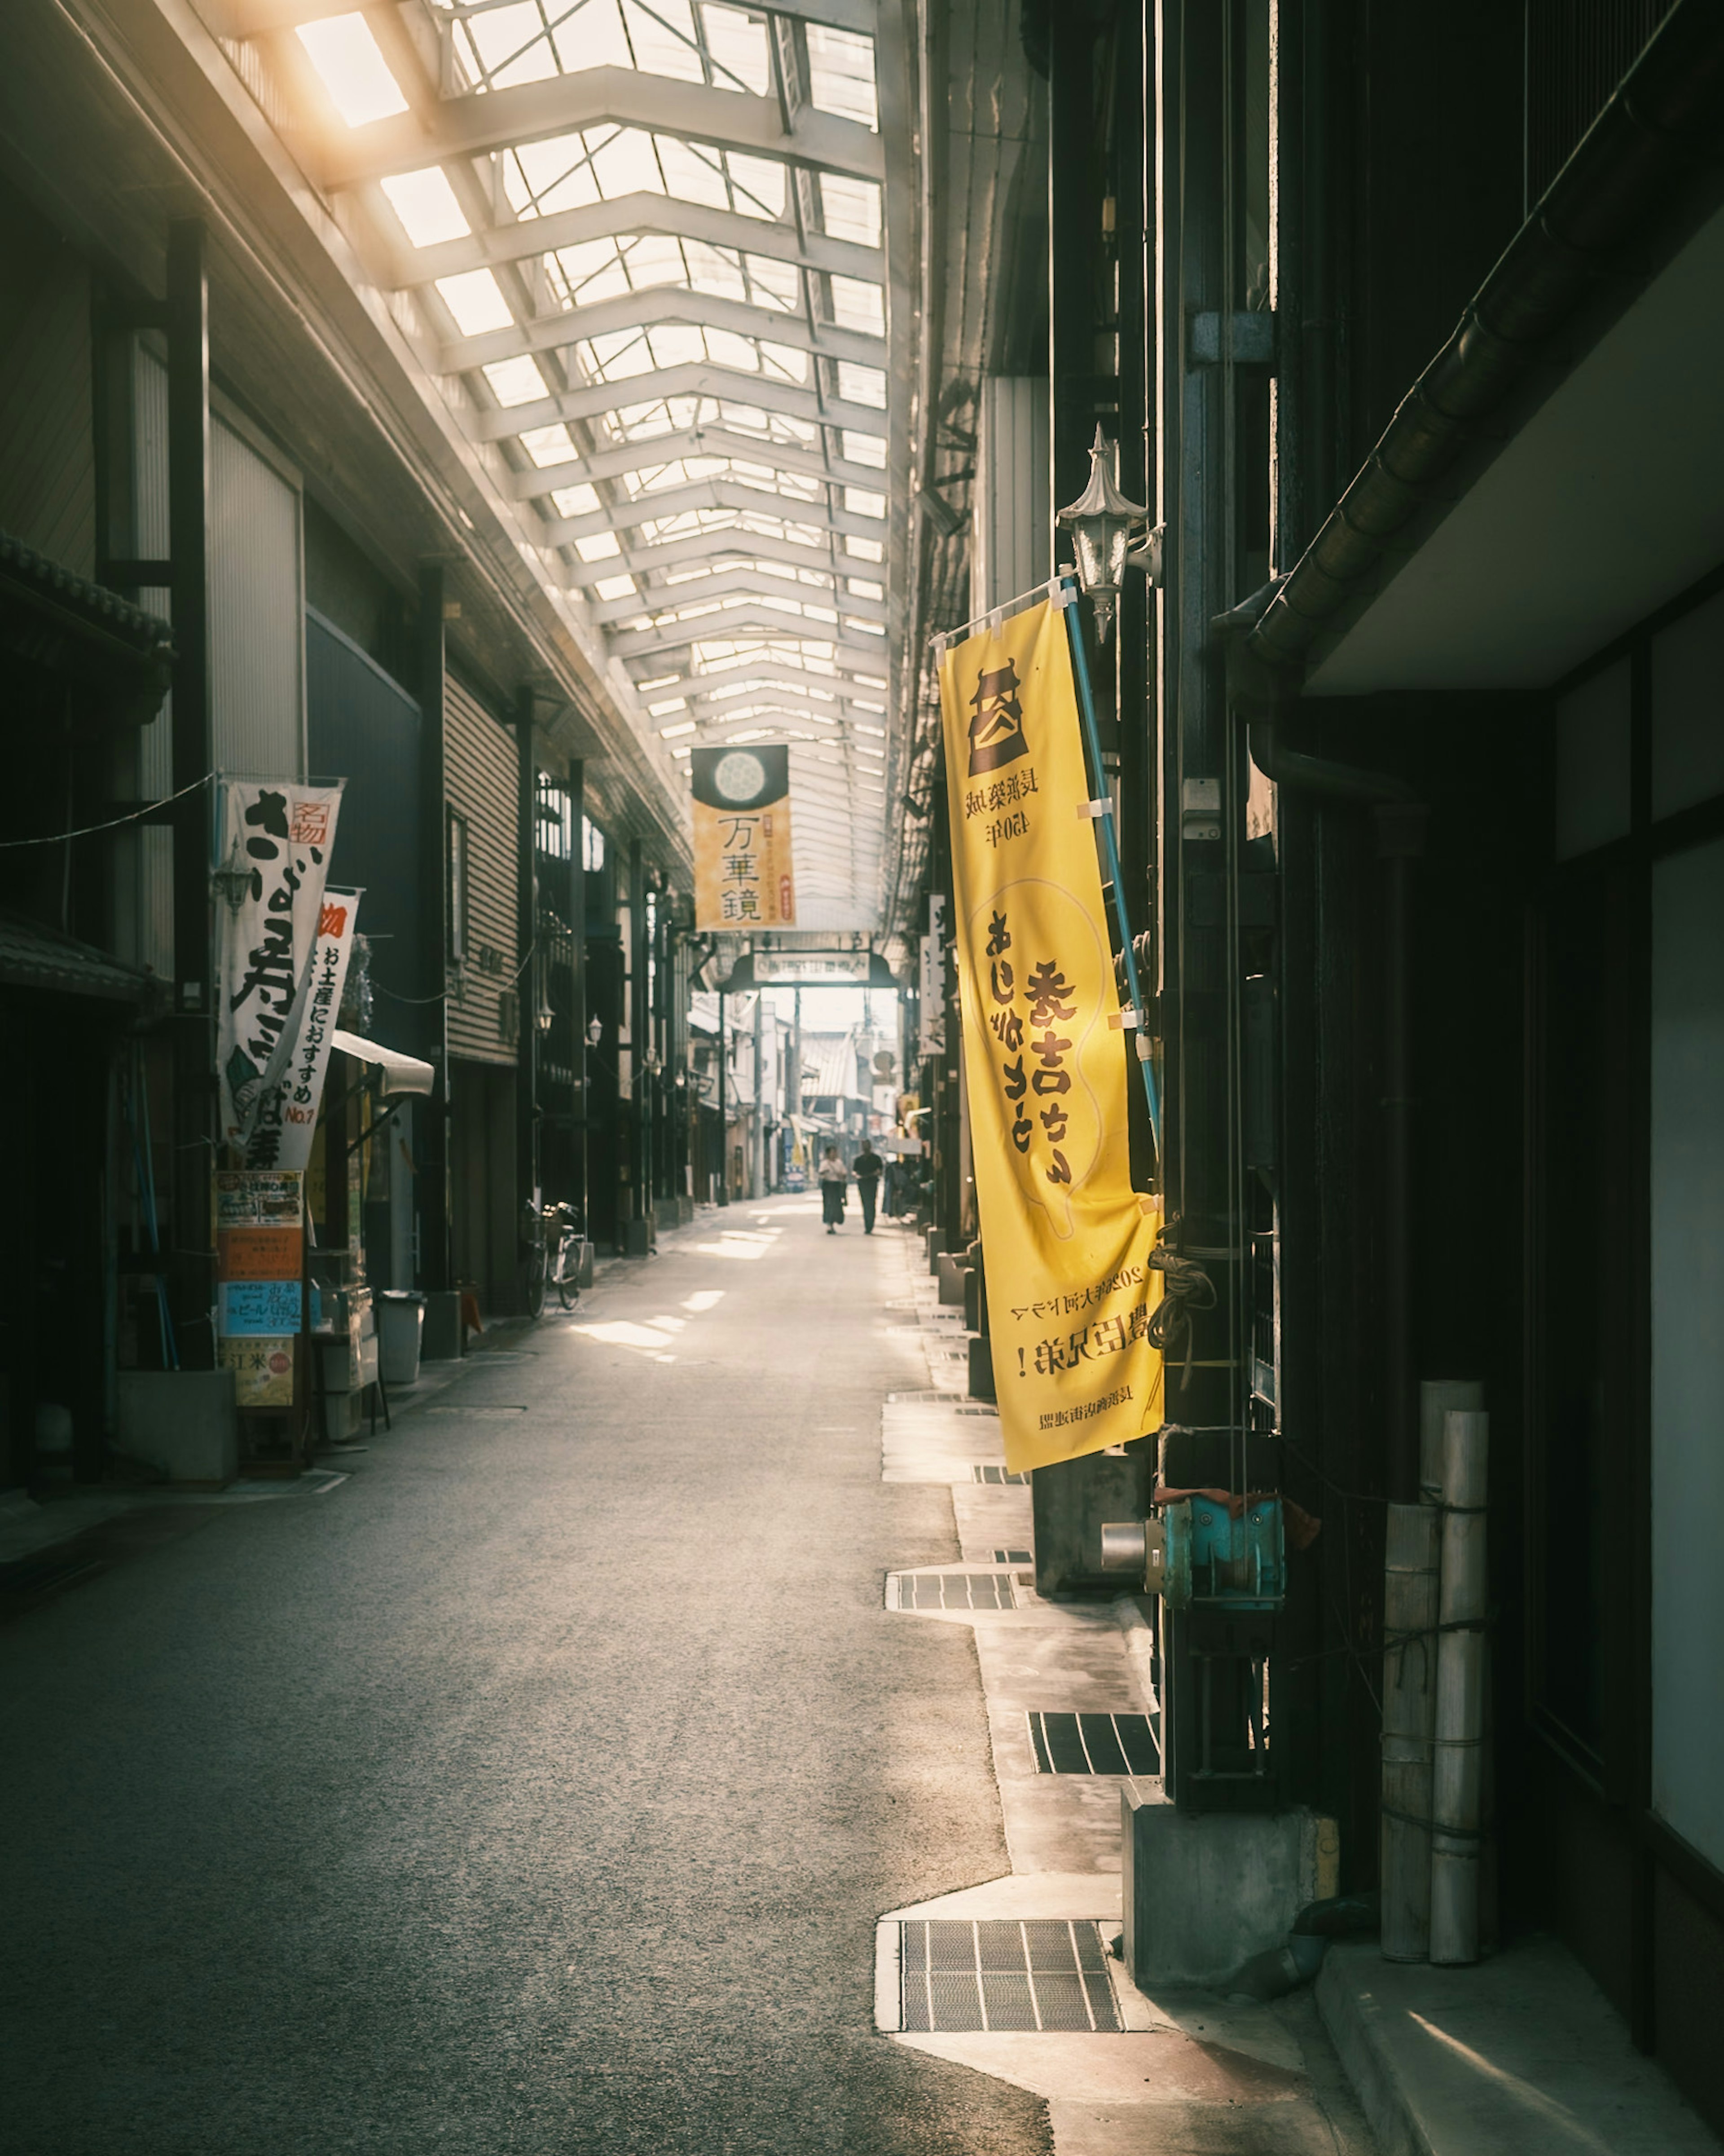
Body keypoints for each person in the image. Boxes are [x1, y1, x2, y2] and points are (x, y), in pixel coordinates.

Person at [852, 1138, 883, 1234]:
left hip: (872, 1183)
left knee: (872, 1203)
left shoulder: (876, 1158)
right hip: (862, 1183)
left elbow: (880, 1170)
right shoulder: (859, 1159)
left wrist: (876, 1173)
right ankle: (867, 1224)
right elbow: (854, 1171)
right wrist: (857, 1176)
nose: (865, 1148)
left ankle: (870, 1224)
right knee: (865, 1204)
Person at [817, 1143, 848, 1233]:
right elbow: (821, 1174)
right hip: (828, 1186)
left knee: (837, 1205)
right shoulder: (825, 1164)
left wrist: (841, 1175)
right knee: (828, 1204)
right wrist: (825, 1172)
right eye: (832, 1153)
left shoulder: (839, 1163)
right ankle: (829, 1224)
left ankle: (833, 1223)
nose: (834, 1154)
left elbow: (844, 1174)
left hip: (837, 1185)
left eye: (835, 1152)